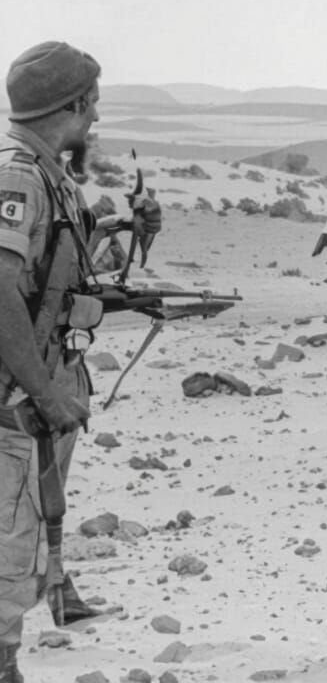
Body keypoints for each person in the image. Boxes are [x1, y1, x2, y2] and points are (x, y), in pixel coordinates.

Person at [0, 41, 159, 680]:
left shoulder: (51, 176)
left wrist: (121, 227)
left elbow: (57, 264)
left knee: (36, 517)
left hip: (45, 382)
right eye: (90, 104)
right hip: (19, 394)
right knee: (10, 542)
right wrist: (43, 392)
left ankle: (51, 603)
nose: (95, 117)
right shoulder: (18, 176)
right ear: (69, 106)